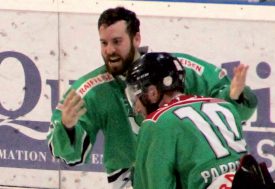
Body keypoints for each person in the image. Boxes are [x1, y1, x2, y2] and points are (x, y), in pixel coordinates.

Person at [46, 7, 257, 188]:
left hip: (186, 172)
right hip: (129, 177)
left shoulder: (174, 68)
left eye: (117, 41)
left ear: (136, 38)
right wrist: (68, 128)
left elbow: (228, 112)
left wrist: (233, 97)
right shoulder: (92, 89)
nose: (109, 50)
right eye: (104, 43)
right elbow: (66, 155)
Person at [125, 52, 270, 189]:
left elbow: (154, 184)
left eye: (135, 96)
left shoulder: (155, 122)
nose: (136, 108)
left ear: (152, 92)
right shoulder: (225, 107)